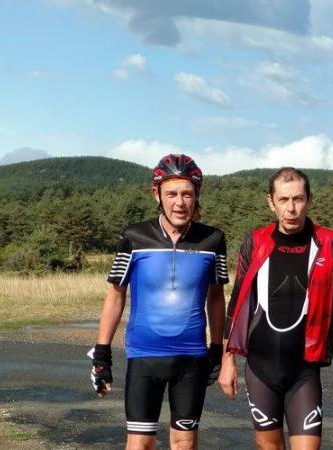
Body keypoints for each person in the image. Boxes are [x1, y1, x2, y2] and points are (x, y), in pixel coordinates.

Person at [218, 167, 333, 450]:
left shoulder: (329, 242)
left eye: (298, 199)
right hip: (260, 367)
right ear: (271, 201)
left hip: (304, 369)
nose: (291, 209)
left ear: (309, 199)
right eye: (283, 200)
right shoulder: (256, 242)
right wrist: (227, 360)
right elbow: (237, 300)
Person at [88, 154, 228, 450]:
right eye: (172, 194)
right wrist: (102, 353)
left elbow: (216, 298)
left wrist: (218, 348)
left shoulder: (213, 240)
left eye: (187, 194)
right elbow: (116, 295)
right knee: (139, 444)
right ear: (157, 194)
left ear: (196, 195)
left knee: (184, 444)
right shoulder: (134, 237)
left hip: (191, 357)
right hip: (144, 356)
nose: (180, 202)